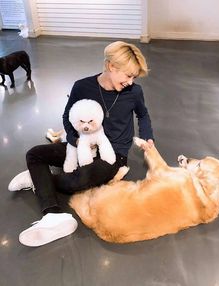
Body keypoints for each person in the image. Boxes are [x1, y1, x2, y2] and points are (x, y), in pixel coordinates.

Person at [8, 41, 154, 247]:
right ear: (111, 66)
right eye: (128, 75)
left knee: (75, 181)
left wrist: (148, 137)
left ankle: (39, 179)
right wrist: (75, 140)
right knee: (35, 153)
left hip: (112, 154)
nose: (131, 81)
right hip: (82, 144)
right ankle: (52, 214)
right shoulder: (82, 86)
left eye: (134, 77)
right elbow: (67, 116)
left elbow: (143, 115)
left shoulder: (134, 93)